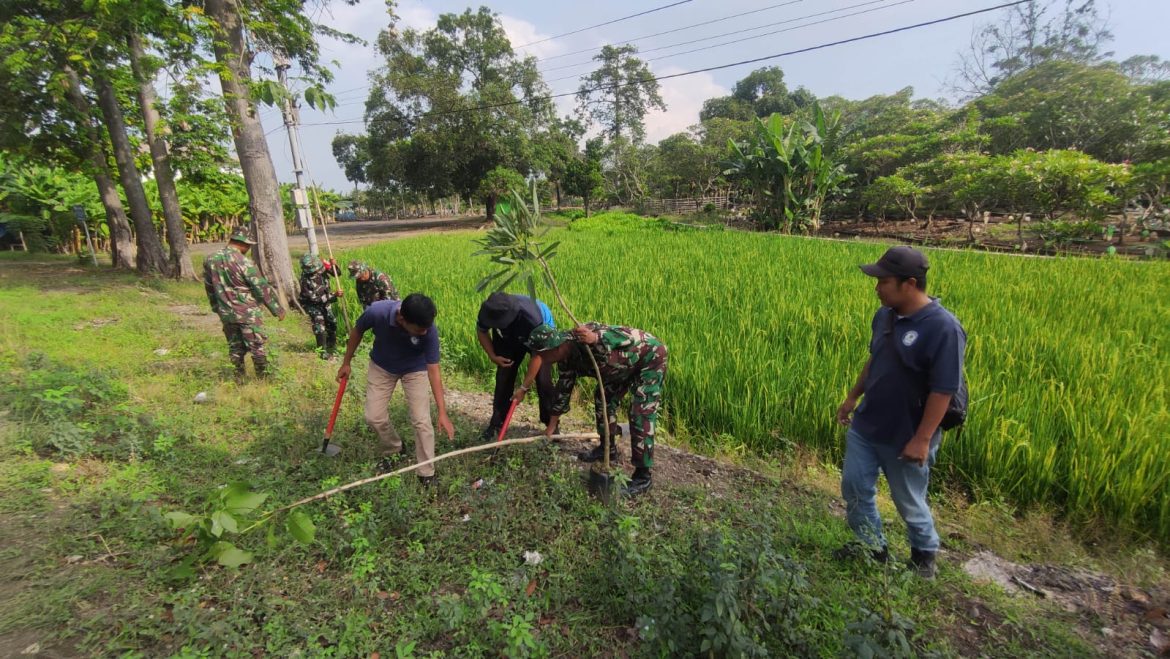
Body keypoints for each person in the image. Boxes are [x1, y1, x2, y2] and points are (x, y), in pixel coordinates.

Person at [835, 246, 966, 579]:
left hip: (908, 433)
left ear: (909, 284)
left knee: (908, 499)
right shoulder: (885, 316)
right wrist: (852, 397)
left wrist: (922, 439)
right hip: (868, 423)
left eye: (883, 281)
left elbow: (943, 389)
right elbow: (875, 360)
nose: (877, 288)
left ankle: (924, 556)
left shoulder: (944, 328)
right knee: (854, 486)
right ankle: (872, 547)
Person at [522, 323, 668, 497]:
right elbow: (563, 390)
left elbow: (625, 338)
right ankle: (608, 449)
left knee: (640, 411)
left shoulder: (586, 335)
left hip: (648, 357)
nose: (540, 359)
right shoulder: (564, 359)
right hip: (619, 369)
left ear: (554, 348)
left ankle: (643, 477)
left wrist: (596, 339)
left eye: (542, 355)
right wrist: (551, 428)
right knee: (603, 399)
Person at [336, 293, 455, 485]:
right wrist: (346, 362)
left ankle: (426, 473)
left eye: (426, 328)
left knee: (422, 420)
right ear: (401, 319)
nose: (425, 332)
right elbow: (357, 331)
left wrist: (442, 412)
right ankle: (394, 448)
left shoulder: (428, 329)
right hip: (382, 366)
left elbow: (434, 370)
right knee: (373, 416)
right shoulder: (377, 312)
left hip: (415, 369)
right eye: (420, 330)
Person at [203, 228, 285, 379]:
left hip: (226, 313)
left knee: (235, 348)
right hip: (248, 313)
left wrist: (216, 307)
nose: (248, 249)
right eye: (249, 245)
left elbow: (209, 287)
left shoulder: (211, 259)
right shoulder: (244, 261)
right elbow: (261, 287)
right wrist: (277, 309)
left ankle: (238, 379)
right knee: (257, 347)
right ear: (243, 243)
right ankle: (263, 380)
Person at [474, 292, 556, 442]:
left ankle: (551, 425)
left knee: (543, 379)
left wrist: (523, 388)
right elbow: (482, 331)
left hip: (539, 334)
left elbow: (538, 356)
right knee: (504, 374)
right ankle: (497, 423)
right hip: (508, 338)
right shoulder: (490, 311)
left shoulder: (533, 319)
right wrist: (492, 355)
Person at [298, 254, 342, 359]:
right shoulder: (305, 280)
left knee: (332, 322)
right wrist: (334, 295)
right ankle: (322, 352)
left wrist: (334, 265)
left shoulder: (321, 268)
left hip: (325, 303)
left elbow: (337, 274)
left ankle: (331, 346)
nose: (316, 271)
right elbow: (315, 299)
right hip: (312, 305)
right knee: (320, 326)